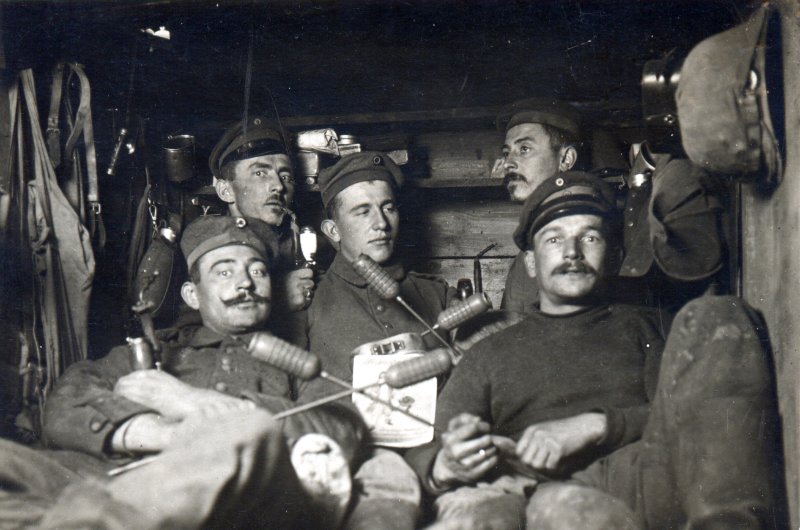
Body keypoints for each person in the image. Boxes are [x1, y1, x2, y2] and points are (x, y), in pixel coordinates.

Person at [406, 171, 778, 529]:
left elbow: (695, 419)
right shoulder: (488, 353)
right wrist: (447, 463)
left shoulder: (650, 328)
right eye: (554, 239)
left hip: (640, 481)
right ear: (531, 262)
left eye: (590, 237)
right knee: (539, 509)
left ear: (613, 256)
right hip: (536, 491)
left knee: (718, 312)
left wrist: (598, 426)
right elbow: (427, 446)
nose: (572, 252)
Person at [42, 215, 364, 528]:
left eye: (258, 271)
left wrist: (194, 403)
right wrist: (161, 434)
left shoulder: (294, 363)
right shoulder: (157, 350)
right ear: (192, 295)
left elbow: (343, 427)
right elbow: (65, 403)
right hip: (132, 491)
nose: (246, 283)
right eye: (224, 272)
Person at [304, 151, 454, 530]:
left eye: (388, 208)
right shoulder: (308, 301)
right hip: (357, 463)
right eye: (362, 212)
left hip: (439, 454)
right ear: (332, 231)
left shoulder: (435, 295)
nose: (381, 223)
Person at [210, 115, 315, 313]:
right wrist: (276, 300)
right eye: (260, 173)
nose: (279, 186)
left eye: (286, 176)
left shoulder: (300, 246)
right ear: (226, 191)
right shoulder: (205, 251)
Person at [496, 98, 581, 314]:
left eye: (524, 149)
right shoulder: (524, 261)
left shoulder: (588, 244)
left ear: (566, 159)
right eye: (506, 153)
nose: (508, 163)